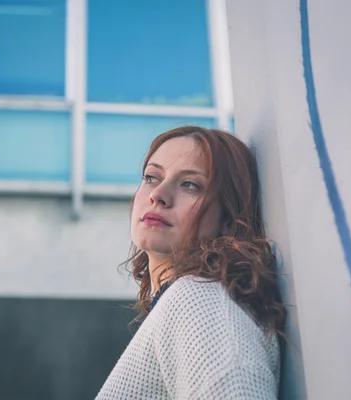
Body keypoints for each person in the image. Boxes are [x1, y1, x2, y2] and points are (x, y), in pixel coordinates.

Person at [96, 126, 286, 399]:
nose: (157, 194)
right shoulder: (183, 302)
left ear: (228, 217)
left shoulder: (201, 302)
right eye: (151, 177)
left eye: (190, 184)